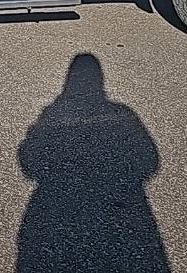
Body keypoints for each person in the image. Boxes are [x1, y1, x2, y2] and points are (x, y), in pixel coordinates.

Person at [17, 54, 171, 272]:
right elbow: (150, 162)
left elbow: (28, 161)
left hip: (51, 204)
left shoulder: (52, 111)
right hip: (126, 206)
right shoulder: (122, 112)